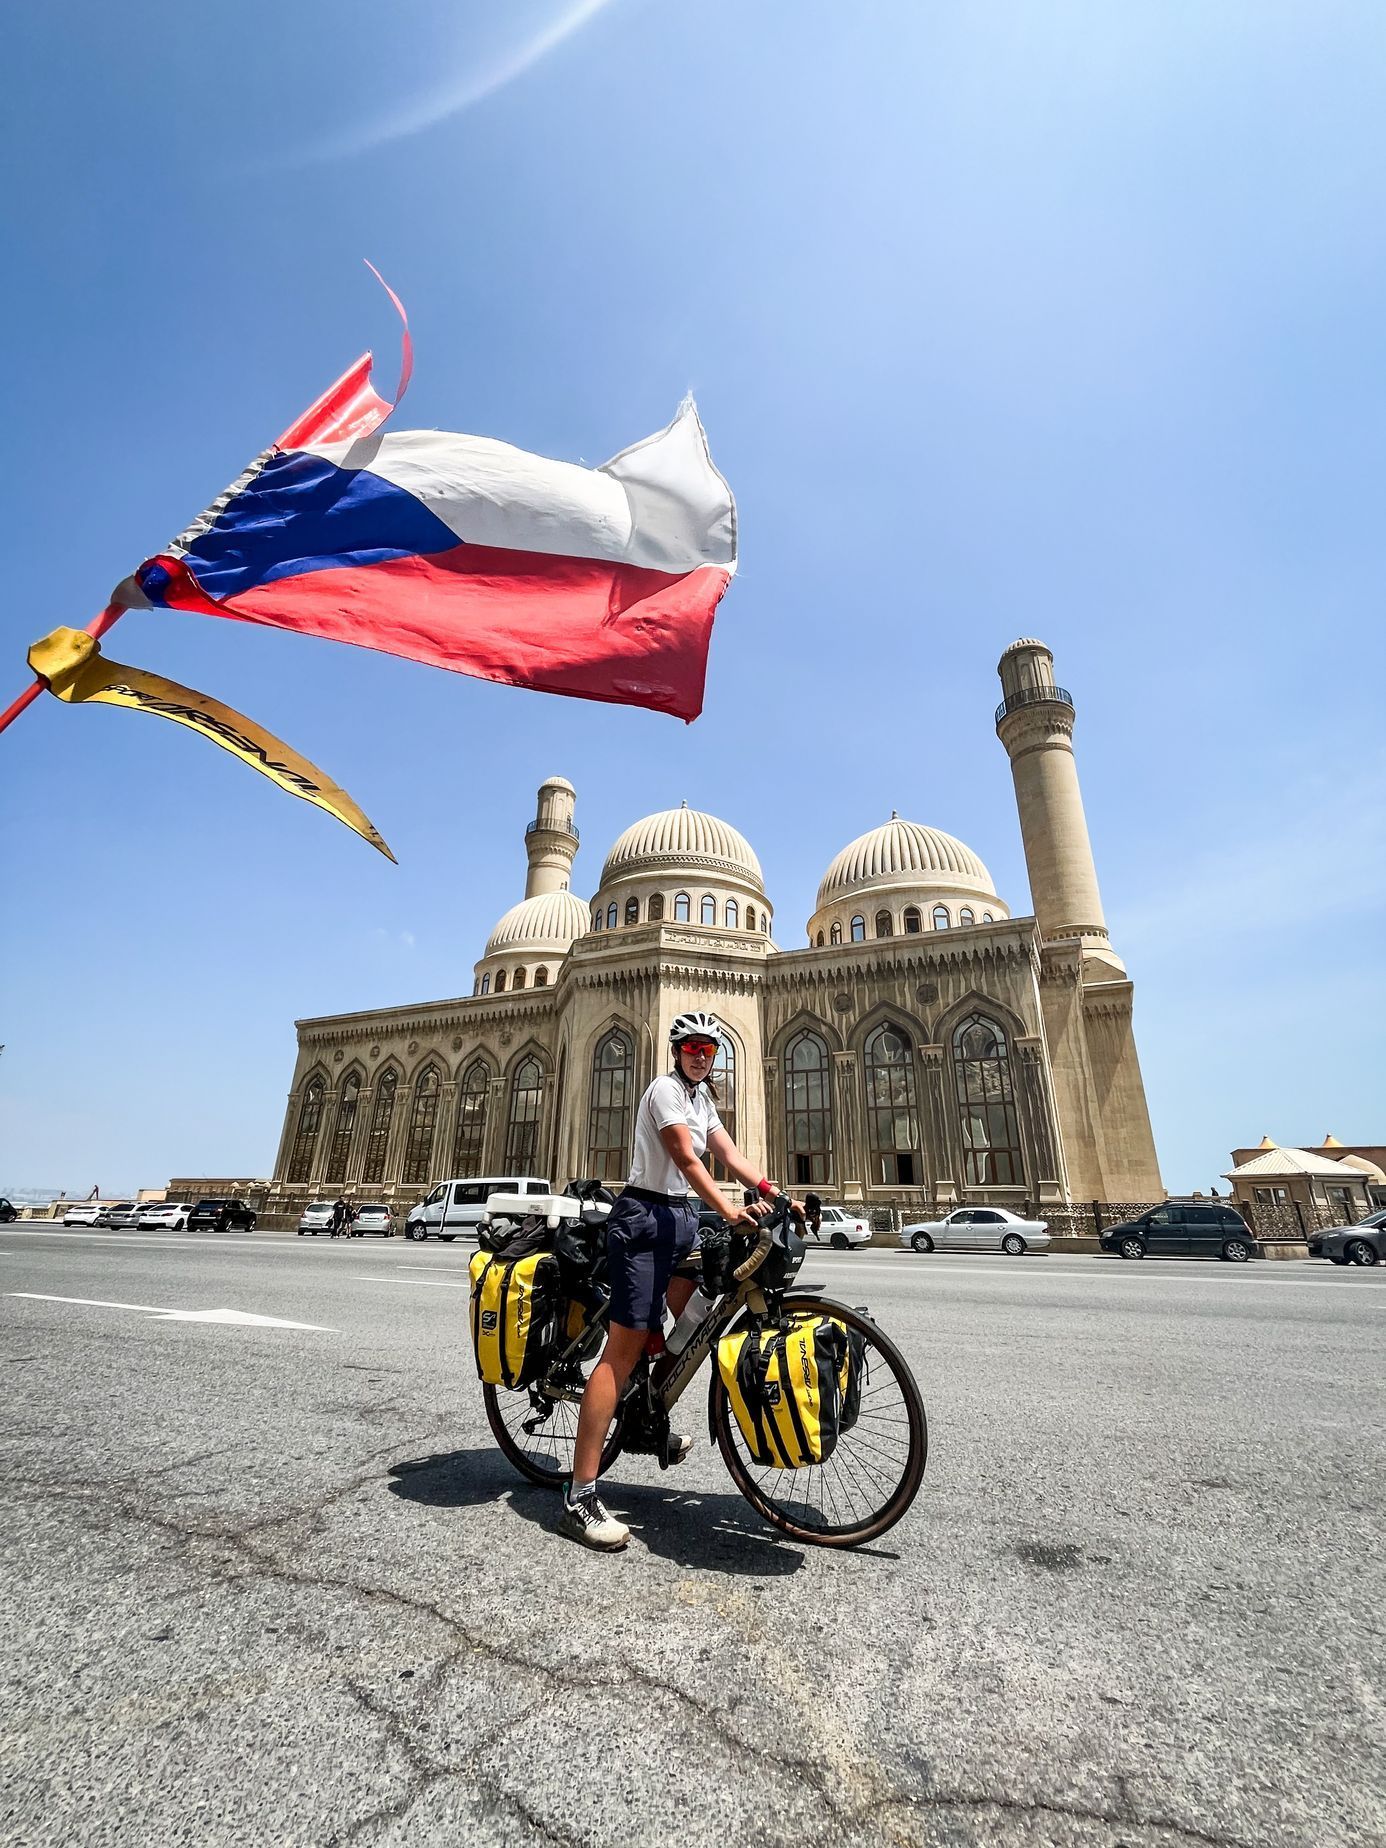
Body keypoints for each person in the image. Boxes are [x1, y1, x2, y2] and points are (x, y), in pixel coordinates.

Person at [560, 1010, 796, 1553]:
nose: (700, 1055)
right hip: (643, 1220)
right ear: (676, 1051)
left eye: (708, 1050)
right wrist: (730, 1209)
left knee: (692, 1315)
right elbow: (688, 1161)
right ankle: (579, 1494)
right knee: (619, 1354)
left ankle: (646, 1411)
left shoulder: (701, 1100)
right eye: (692, 1047)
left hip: (681, 1219)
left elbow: (727, 1154)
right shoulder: (665, 1092)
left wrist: (769, 1189)